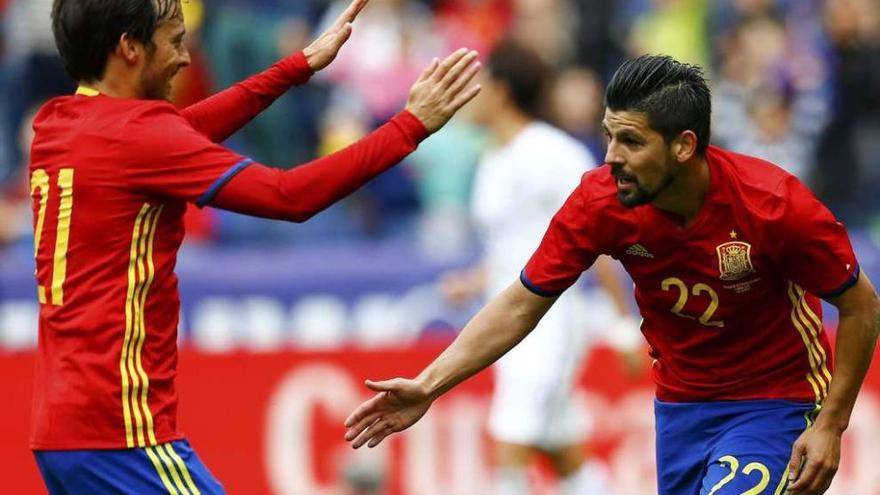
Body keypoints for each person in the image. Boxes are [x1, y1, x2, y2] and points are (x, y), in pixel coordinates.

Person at [344, 55, 880, 495]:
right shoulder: (600, 201)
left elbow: (861, 305)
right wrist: (429, 385)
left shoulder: (774, 205)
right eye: (608, 137)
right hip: (680, 405)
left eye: (631, 142)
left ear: (684, 145)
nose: (611, 157)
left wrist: (831, 422)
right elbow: (521, 301)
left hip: (775, 398)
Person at [29, 0, 481, 493]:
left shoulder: (59, 123)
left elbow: (180, 133)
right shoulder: (141, 138)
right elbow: (290, 195)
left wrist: (297, 66)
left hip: (61, 430)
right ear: (129, 48)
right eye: (176, 42)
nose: (185, 58)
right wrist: (410, 125)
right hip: (120, 430)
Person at [438, 41, 639, 494]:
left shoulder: (554, 153)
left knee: (510, 439)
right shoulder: (491, 159)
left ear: (502, 90)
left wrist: (624, 326)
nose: (473, 93)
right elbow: (513, 250)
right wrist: (473, 281)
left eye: (481, 82)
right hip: (501, 320)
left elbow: (601, 238)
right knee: (562, 451)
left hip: (548, 324)